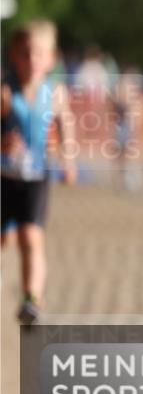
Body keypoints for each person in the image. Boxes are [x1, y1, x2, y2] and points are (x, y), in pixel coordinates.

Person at [1, 19, 77, 325]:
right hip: (4, 178)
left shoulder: (56, 93)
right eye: (25, 54)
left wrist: (68, 159)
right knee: (5, 240)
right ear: (13, 56)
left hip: (36, 178)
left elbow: (66, 122)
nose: (31, 61)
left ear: (51, 58)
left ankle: (32, 297)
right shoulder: (6, 92)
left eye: (38, 54)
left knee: (31, 238)